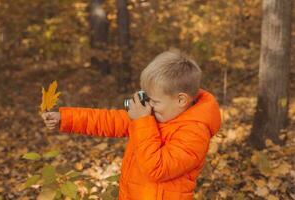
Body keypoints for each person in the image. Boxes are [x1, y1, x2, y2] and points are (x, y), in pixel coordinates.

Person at [42, 49, 221, 200]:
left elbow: (157, 169)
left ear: (181, 99)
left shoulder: (195, 132)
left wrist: (143, 120)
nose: (149, 105)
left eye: (155, 101)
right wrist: (64, 118)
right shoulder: (155, 116)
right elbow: (108, 120)